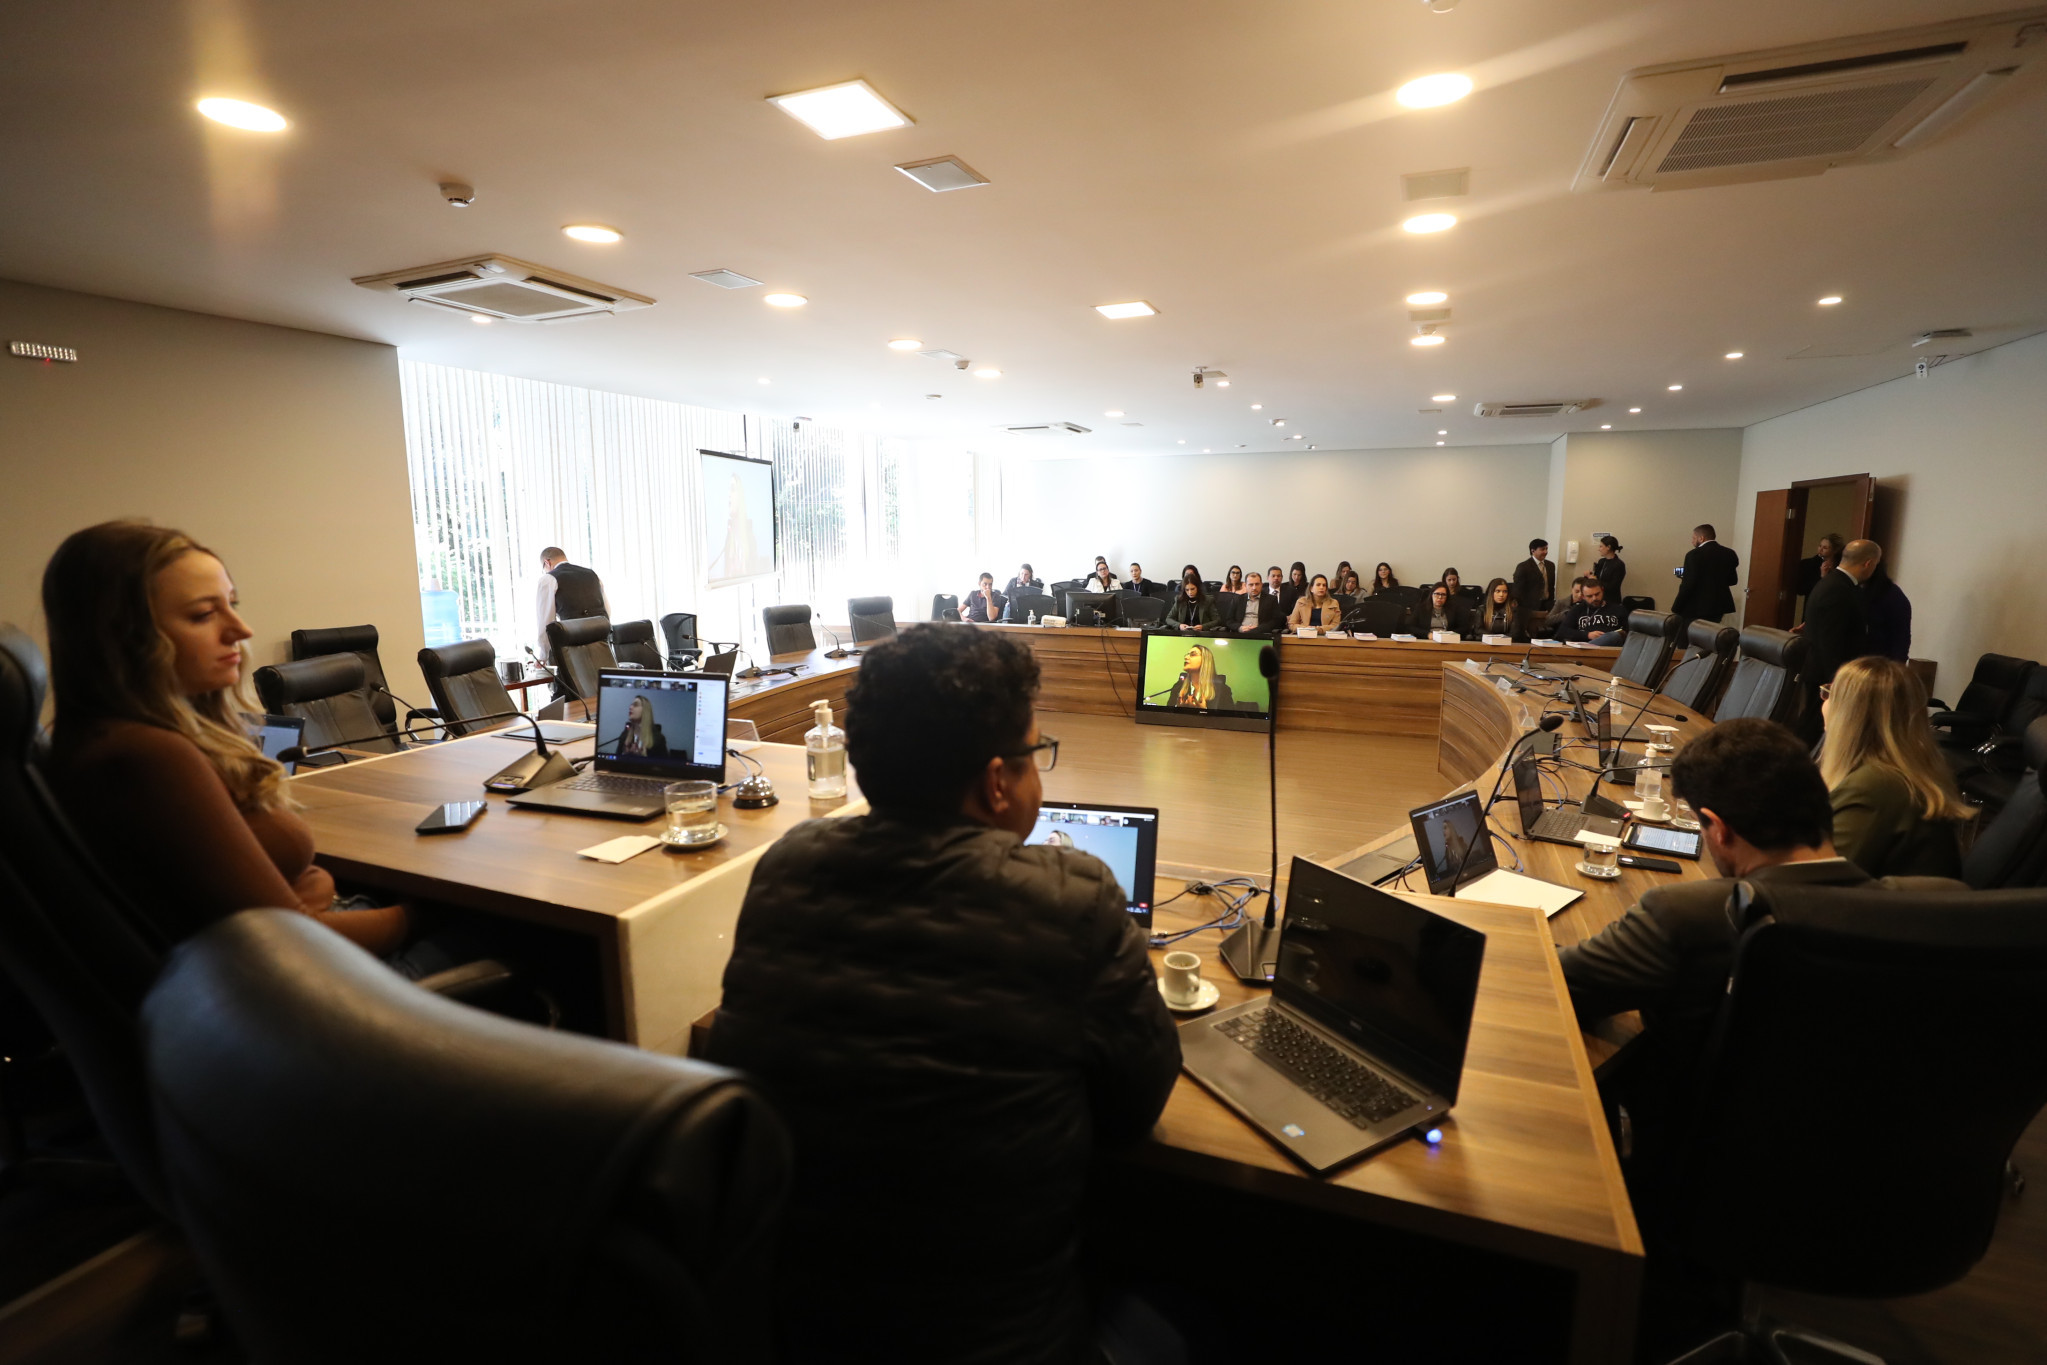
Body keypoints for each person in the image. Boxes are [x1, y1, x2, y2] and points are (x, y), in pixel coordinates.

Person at [706, 625, 1179, 1362]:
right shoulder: (1072, 896)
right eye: (1032, 755)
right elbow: (1134, 1109)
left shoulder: (787, 866)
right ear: (997, 782)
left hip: (801, 1331)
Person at [1559, 719, 1959, 1233]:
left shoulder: (1688, 915)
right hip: (1886, 1190)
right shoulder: (1932, 906)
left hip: (1703, 1177)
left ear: (1717, 827)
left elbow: (1558, 979)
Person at [39, 521, 435, 969]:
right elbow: (291, 941)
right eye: (203, 615)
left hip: (311, 957)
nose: (241, 629)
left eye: (231, 604)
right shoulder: (148, 757)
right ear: (122, 637)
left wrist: (312, 889)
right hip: (326, 996)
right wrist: (426, 914)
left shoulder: (103, 740)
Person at [1819, 655, 1971, 878]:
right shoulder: (1900, 772)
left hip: (1882, 911)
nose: (1823, 701)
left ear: (1851, 714)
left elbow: (1819, 880)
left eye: (1829, 693)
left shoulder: (1875, 787)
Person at [1797, 538, 1879, 743]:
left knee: (1812, 729)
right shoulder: (1839, 589)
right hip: (1827, 677)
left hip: (1820, 671)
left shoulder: (1830, 582)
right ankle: (1796, 771)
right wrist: (1837, 680)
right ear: (1868, 563)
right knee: (1813, 733)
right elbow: (1830, 640)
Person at [536, 546, 609, 697]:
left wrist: (542, 655)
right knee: (598, 693)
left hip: (571, 652)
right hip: (601, 648)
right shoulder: (592, 575)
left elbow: (546, 623)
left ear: (547, 563)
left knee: (566, 696)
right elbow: (606, 611)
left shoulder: (549, 579)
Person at [1671, 524, 1739, 623]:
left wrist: (1676, 607)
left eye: (1693, 538)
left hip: (1696, 606)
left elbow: (1688, 585)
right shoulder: (1730, 553)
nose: (1692, 541)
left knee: (1691, 635)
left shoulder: (1693, 555)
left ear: (1701, 538)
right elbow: (1733, 580)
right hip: (1719, 605)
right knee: (1709, 635)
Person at [1860, 561, 1912, 662]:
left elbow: (1901, 637)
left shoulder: (1892, 594)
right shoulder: (1850, 589)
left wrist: (1896, 667)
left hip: (1879, 661)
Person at [1167, 643, 1235, 709]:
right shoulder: (1178, 687)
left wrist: (1204, 712)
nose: (1186, 657)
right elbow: (1167, 716)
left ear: (1205, 661)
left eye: (1193, 654)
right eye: (1187, 655)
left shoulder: (1223, 690)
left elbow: (1229, 719)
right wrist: (1178, 710)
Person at [1560, 579, 1624, 645]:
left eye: (1597, 594)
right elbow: (1562, 631)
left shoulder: (1618, 609)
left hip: (1611, 647)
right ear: (1583, 596)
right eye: (1589, 596)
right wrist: (1588, 635)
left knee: (1613, 636)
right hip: (1584, 646)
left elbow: (1630, 632)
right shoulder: (1577, 609)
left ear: (1602, 590)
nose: (1594, 598)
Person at [1795, 533, 1844, 610]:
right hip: (1814, 606)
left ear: (1835, 550)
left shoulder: (1842, 566)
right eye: (1820, 546)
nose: (1820, 549)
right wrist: (1822, 577)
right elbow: (1801, 590)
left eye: (1825, 547)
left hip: (1835, 607)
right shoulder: (1808, 564)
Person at [612, 694, 670, 759]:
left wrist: (643, 758)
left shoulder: (658, 739)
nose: (630, 707)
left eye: (635, 705)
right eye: (631, 705)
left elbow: (663, 765)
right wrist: (626, 755)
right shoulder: (625, 735)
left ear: (645, 711)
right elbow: (616, 760)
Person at [1512, 540, 1556, 617]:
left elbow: (1551, 586)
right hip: (1530, 607)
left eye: (1546, 549)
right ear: (1533, 550)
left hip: (1547, 605)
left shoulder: (1551, 565)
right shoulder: (1523, 567)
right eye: (1542, 549)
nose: (1545, 552)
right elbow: (1518, 590)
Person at [1592, 535, 1626, 605]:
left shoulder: (1619, 564)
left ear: (1608, 547)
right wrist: (1589, 576)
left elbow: (1613, 587)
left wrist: (1596, 580)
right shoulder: (1601, 561)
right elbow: (1596, 577)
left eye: (1601, 546)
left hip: (1611, 601)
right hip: (1599, 599)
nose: (1599, 549)